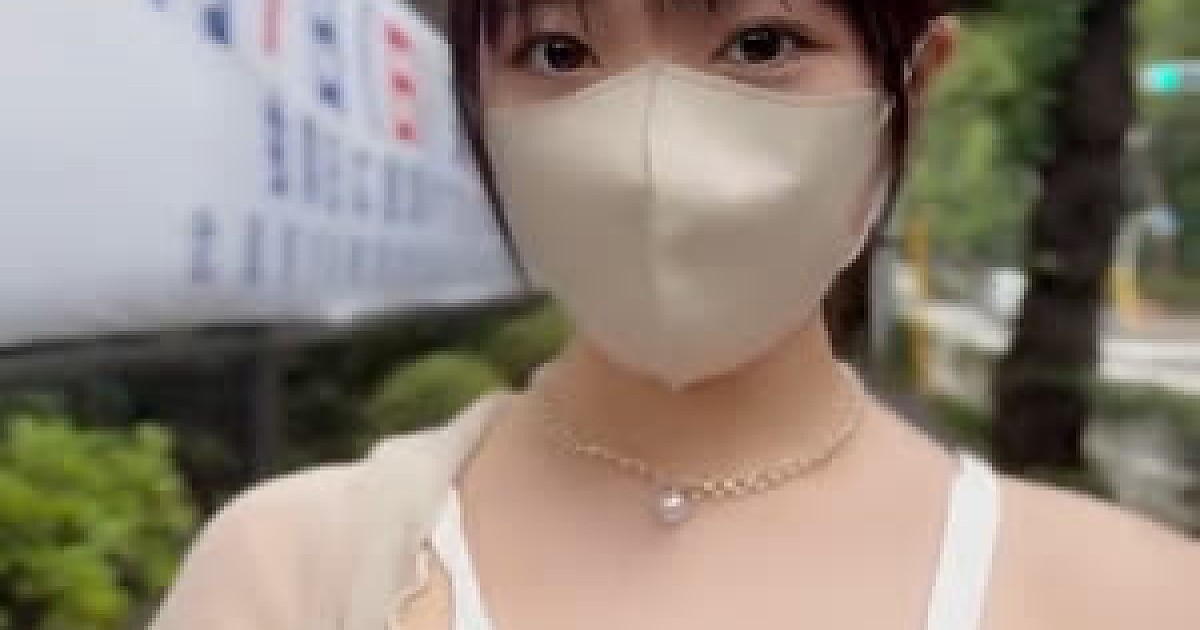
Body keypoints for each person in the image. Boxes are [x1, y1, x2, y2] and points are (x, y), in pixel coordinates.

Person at [149, 1, 1200, 629]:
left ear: (911, 88)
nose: (648, 147)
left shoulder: (1132, 600)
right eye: (558, 51)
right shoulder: (292, 576)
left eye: (759, 42)